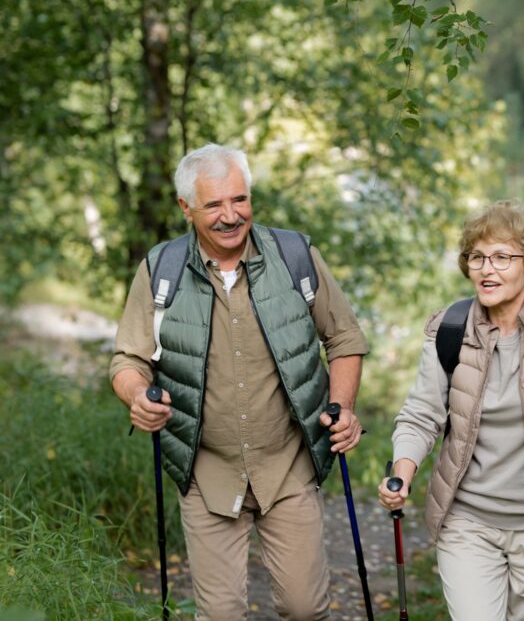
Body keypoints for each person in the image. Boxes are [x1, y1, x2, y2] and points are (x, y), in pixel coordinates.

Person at [110, 143, 369, 620]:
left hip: (287, 464)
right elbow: (128, 359)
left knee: (305, 609)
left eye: (240, 200)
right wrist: (136, 396)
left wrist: (342, 406)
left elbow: (345, 337)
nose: (231, 216)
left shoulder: (295, 255)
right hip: (207, 470)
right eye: (213, 205)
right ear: (186, 208)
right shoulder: (160, 270)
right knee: (222, 615)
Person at [377, 200, 524, 620]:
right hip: (467, 522)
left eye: (503, 257)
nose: (487, 269)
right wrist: (402, 474)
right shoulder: (450, 328)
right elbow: (421, 413)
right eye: (477, 257)